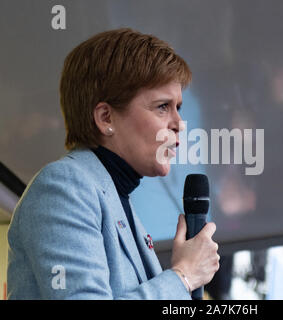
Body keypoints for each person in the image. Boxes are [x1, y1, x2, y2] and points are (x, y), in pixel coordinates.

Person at [7, 28, 220, 299]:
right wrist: (183, 277)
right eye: (162, 106)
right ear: (106, 117)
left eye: (178, 107)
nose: (179, 124)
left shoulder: (118, 200)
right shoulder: (63, 188)